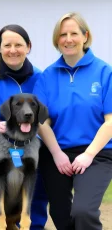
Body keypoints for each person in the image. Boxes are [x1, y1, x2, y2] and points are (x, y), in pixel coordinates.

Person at [33, 12, 112, 230]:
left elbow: (110, 121)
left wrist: (88, 155)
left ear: (85, 36)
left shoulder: (105, 72)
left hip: (96, 154)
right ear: (56, 40)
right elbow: (42, 122)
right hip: (57, 153)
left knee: (83, 211)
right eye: (63, 34)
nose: (68, 39)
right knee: (60, 214)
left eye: (74, 33)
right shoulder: (47, 76)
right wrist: (57, 153)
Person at [0, 24, 48, 230]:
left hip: (31, 148)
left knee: (35, 192)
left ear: (28, 46)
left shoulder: (41, 78)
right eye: (7, 45)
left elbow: (45, 116)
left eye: (18, 44)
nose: (13, 50)